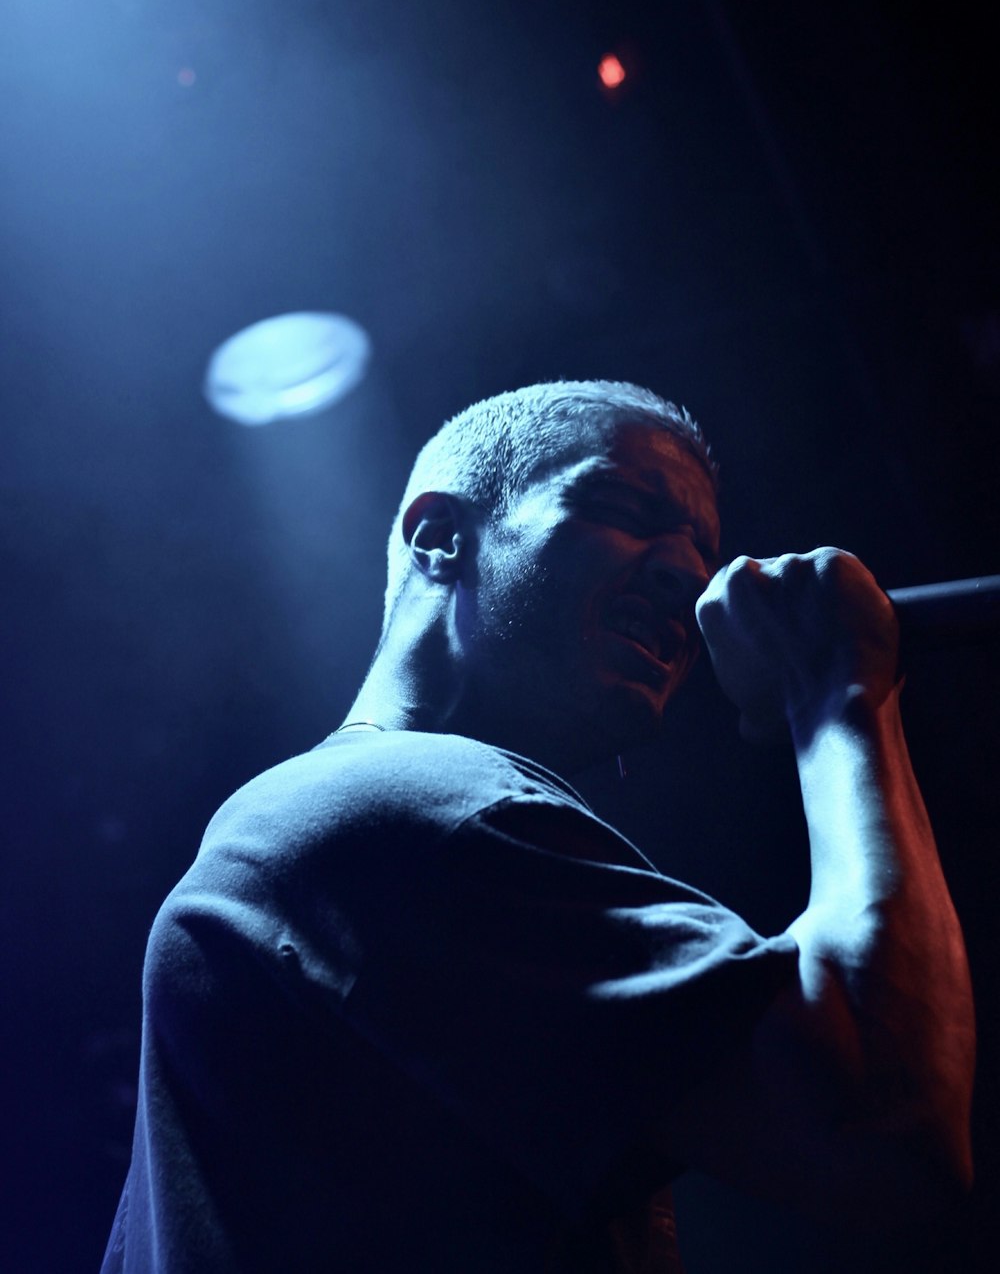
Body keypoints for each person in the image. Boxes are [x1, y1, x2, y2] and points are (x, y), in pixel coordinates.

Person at [101, 380, 974, 1273]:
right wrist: (840, 695)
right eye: (625, 509)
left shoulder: (319, 829)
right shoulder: (408, 812)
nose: (689, 573)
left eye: (701, 550)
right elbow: (884, 1112)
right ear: (441, 536)